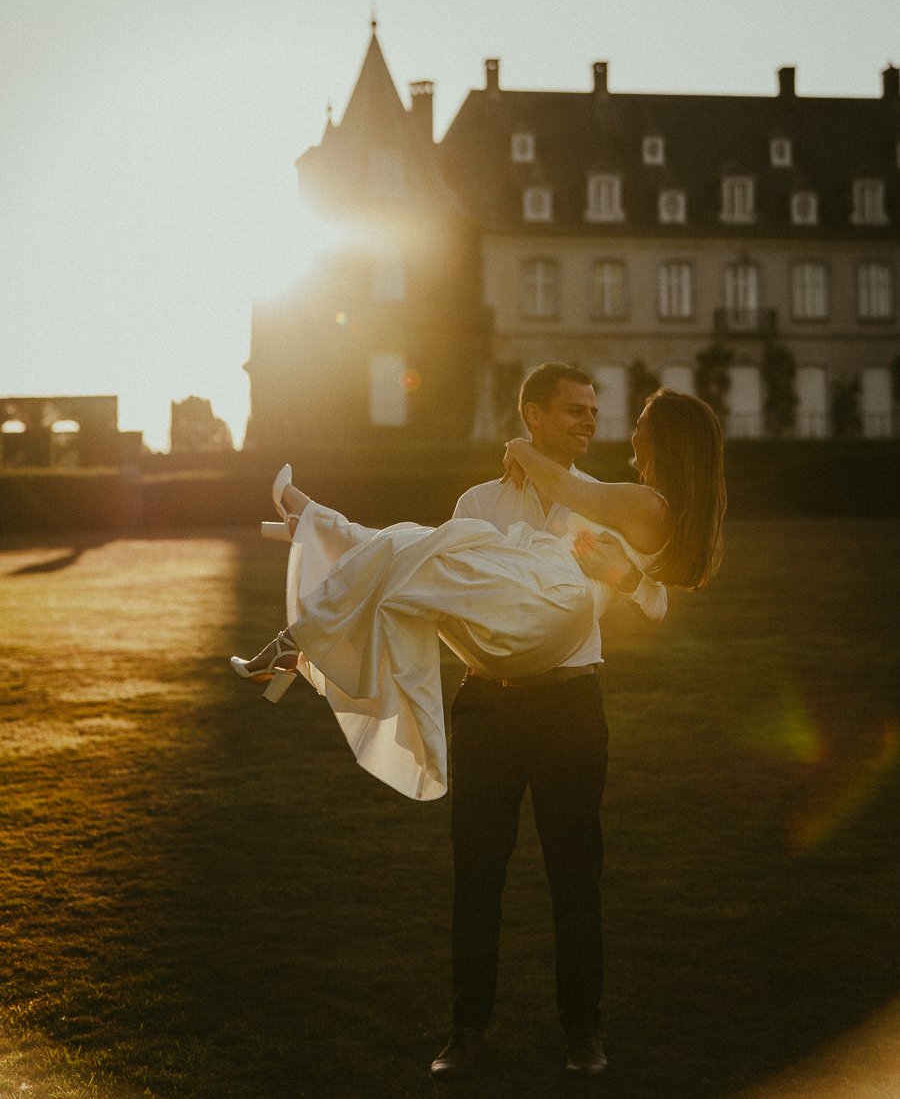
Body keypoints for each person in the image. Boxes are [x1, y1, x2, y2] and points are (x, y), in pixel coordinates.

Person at [230, 370, 725, 1077]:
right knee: (476, 874)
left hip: (568, 698)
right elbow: (449, 593)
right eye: (575, 411)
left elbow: (656, 599)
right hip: (490, 699)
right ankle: (466, 1030)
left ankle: (582, 1032)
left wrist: (621, 573)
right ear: (534, 413)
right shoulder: (479, 501)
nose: (593, 423)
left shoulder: (614, 502)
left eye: (598, 412)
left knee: (575, 878)